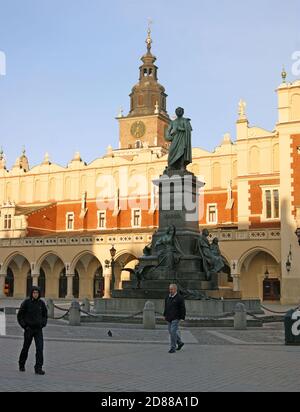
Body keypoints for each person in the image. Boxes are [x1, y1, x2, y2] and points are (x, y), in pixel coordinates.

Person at [17, 286, 48, 375]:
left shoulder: (41, 303)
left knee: (40, 349)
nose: (35, 294)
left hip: (38, 330)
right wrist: (24, 326)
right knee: (25, 348)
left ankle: (38, 368)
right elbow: (20, 316)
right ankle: (21, 364)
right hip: (29, 329)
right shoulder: (26, 302)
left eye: (37, 293)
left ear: (39, 294)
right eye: (34, 293)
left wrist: (43, 323)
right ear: (31, 293)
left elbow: (45, 315)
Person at [164, 284, 186, 354]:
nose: (170, 291)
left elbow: (183, 308)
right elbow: (166, 306)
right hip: (169, 317)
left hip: (176, 317)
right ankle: (179, 342)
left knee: (173, 331)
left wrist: (182, 317)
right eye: (170, 289)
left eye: (172, 289)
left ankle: (173, 347)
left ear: (175, 289)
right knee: (171, 331)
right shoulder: (167, 297)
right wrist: (165, 314)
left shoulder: (180, 298)